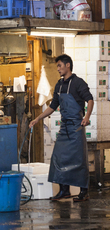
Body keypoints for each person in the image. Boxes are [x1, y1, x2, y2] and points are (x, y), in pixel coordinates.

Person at [29, 54, 94, 202]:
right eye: (57, 66)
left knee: (79, 160)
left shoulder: (78, 83)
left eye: (60, 66)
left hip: (77, 127)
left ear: (68, 65)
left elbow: (89, 100)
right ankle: (64, 190)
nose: (58, 69)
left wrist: (87, 117)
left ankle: (84, 192)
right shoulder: (59, 85)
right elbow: (52, 106)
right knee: (58, 158)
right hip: (64, 128)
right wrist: (38, 118)